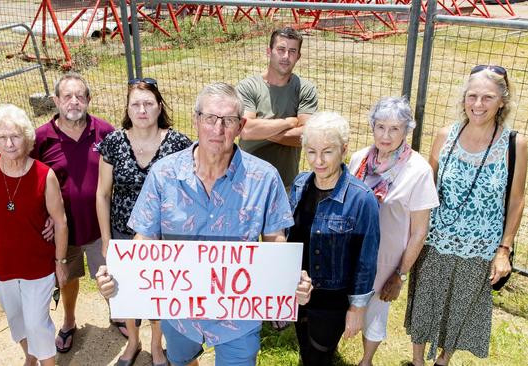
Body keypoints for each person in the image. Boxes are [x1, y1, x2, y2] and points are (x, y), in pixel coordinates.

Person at [97, 82, 313, 366]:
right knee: (181, 360)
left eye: (228, 120)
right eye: (210, 118)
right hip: (179, 313)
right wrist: (122, 273)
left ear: (241, 126)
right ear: (196, 119)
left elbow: (274, 238)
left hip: (239, 316)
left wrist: (288, 277)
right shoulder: (164, 175)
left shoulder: (264, 177)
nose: (218, 128)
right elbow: (145, 237)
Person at [405, 65, 527, 366]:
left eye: (487, 97)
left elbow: (516, 201)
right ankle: (417, 362)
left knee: (460, 310)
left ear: (503, 101)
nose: (477, 104)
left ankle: (443, 362)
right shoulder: (445, 135)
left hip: (480, 248)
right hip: (435, 241)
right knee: (425, 304)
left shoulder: (516, 144)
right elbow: (425, 188)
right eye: (472, 96)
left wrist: (504, 250)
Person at [96, 78, 191, 366]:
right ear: (127, 108)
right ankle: (134, 341)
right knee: (127, 292)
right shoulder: (113, 142)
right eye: (135, 104)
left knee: (159, 291)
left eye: (148, 103)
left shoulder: (178, 143)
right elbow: (102, 194)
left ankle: (156, 344)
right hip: (123, 233)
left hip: (164, 236)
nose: (142, 110)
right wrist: (106, 240)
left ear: (159, 107)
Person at [347, 97, 439, 366]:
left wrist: (399, 275)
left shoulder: (418, 170)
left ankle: (366, 361)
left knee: (376, 312)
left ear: (406, 130)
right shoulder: (359, 158)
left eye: (394, 129)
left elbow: (420, 231)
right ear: (372, 127)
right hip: (353, 249)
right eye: (380, 127)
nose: (385, 135)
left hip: (386, 259)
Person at [31, 72, 115, 353]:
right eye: (67, 96)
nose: (74, 101)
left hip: (100, 225)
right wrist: (42, 217)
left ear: (88, 99)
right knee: (67, 277)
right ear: (56, 100)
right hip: (63, 228)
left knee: (110, 275)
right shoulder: (41, 138)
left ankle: (119, 315)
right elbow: (32, 181)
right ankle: (68, 321)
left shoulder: (105, 131)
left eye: (80, 96)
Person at [289, 112, 380, 366]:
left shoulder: (362, 199)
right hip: (300, 292)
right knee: (306, 351)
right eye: (311, 151)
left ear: (344, 149)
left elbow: (366, 260)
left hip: (332, 299)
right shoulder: (299, 185)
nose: (318, 161)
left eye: (327, 152)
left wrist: (357, 308)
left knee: (319, 356)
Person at [0, 104, 69, 366]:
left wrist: (61, 262)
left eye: (15, 136)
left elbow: (61, 222)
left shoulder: (45, 175)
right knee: (16, 318)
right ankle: (29, 356)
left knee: (36, 322)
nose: (9, 143)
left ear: (27, 138)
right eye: (2, 137)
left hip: (37, 264)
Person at [237, 27, 318, 188]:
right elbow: (246, 131)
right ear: (269, 51)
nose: (286, 56)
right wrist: (289, 122)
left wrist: (261, 129)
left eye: (292, 51)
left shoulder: (305, 89)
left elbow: (306, 136)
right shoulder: (248, 87)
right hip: (247, 181)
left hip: (285, 183)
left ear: (298, 57)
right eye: (281, 49)